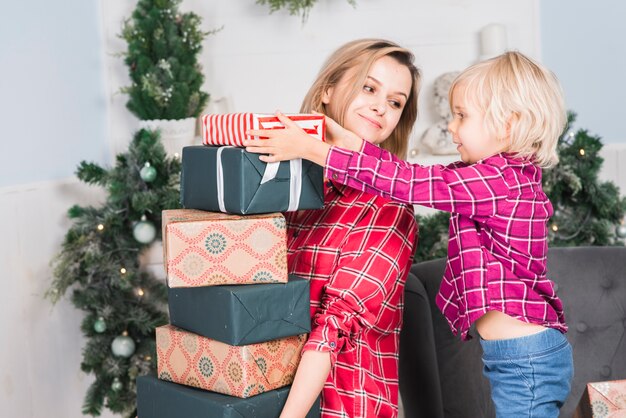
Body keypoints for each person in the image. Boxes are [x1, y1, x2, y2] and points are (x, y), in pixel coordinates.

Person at [245, 51, 573, 418]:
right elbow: (406, 172)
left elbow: (412, 183)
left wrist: (316, 149)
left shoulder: (499, 182)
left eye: (462, 116)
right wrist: (348, 144)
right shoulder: (495, 178)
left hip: (525, 358)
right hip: (518, 355)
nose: (450, 127)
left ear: (507, 125)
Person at [265, 39, 420, 418]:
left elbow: (335, 326)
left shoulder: (390, 207)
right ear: (326, 91)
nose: (381, 106)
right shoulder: (288, 191)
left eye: (396, 102)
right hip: (269, 392)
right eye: (369, 88)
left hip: (345, 405)